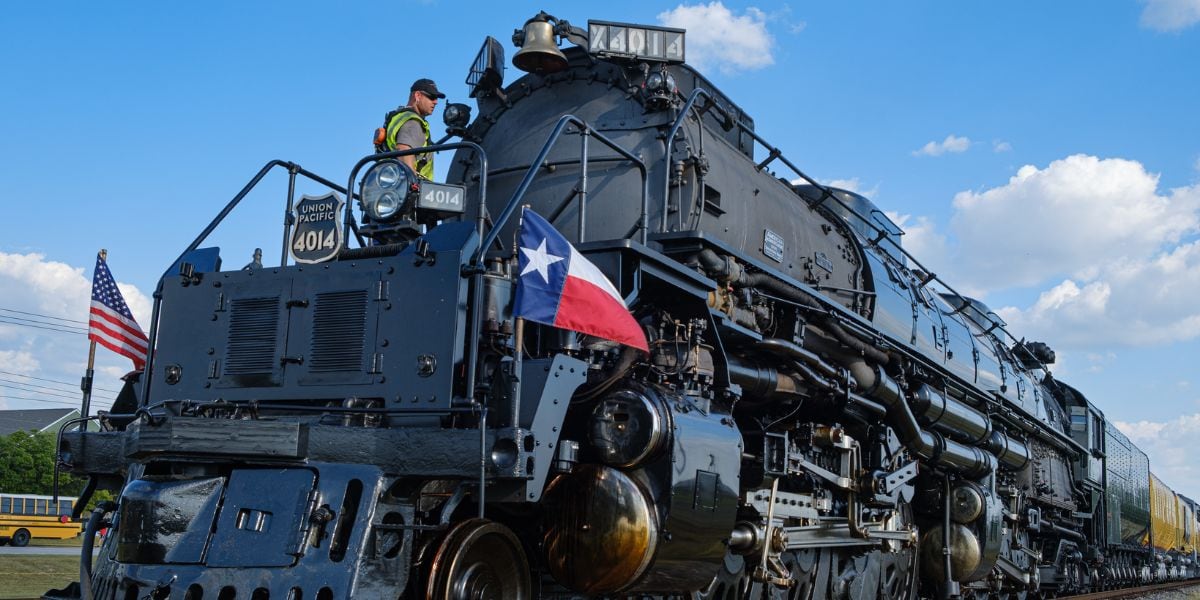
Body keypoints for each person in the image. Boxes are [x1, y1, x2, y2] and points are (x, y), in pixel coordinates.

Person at [380, 78, 445, 180]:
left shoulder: (399, 117)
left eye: (436, 98)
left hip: (391, 179)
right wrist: (413, 184)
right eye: (432, 97)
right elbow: (404, 151)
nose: (436, 102)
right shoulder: (413, 122)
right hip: (408, 185)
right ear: (417, 95)